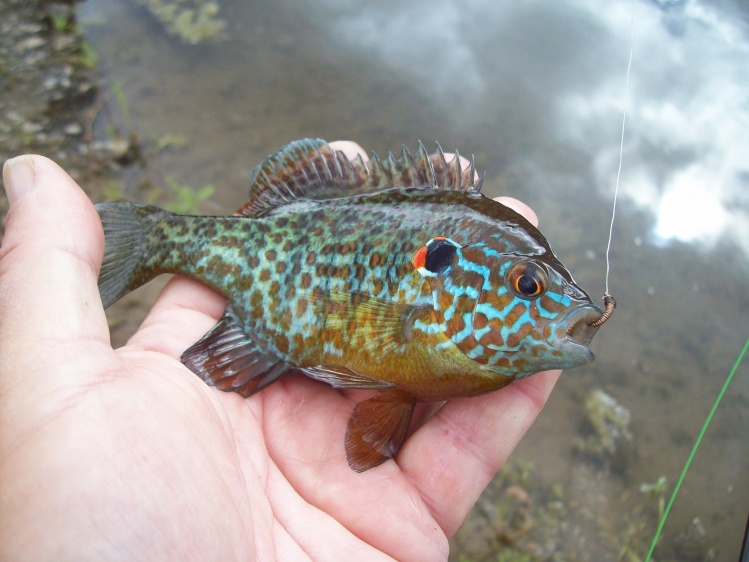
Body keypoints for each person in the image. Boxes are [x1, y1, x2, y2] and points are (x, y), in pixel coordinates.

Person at [0, 142, 560, 561]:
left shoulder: (464, 352)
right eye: (529, 287)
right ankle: (153, 238)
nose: (557, 307)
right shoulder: (432, 336)